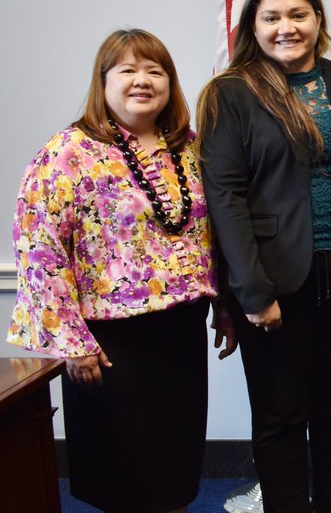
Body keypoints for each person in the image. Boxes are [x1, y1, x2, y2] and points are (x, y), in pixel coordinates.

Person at [8, 29, 234, 513]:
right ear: (103, 81)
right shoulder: (68, 152)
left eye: (155, 71)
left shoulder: (190, 149)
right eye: (128, 70)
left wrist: (226, 307)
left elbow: (212, 235)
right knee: (125, 476)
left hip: (180, 335)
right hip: (109, 344)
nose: (142, 81)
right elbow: (39, 250)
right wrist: (72, 343)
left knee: (174, 471)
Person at [198, 0, 331, 513]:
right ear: (253, 25)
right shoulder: (232, 92)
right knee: (280, 416)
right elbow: (224, 197)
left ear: (319, 20)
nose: (286, 27)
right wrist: (251, 292)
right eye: (271, 17)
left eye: (298, 14)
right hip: (273, 277)